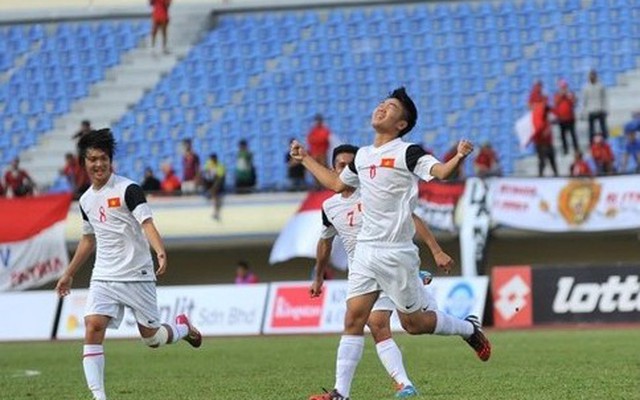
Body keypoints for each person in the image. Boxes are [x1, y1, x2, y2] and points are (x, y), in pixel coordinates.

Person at [291, 87, 490, 400]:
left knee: (413, 324)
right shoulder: (362, 157)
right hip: (366, 252)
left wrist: (459, 156)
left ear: (401, 124)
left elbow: (438, 172)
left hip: (396, 253)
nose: (382, 107)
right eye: (382, 103)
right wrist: (305, 159)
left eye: (391, 106)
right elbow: (336, 183)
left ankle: (467, 329)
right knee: (355, 319)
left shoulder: (407, 152)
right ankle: (340, 393)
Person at [54, 129, 201, 400]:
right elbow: (88, 239)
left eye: (103, 159)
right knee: (93, 326)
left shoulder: (128, 189)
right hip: (104, 275)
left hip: (137, 272)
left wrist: (160, 251)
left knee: (152, 338)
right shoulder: (85, 200)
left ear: (111, 160)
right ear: (83, 163)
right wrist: (69, 273)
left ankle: (183, 328)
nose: (98, 164)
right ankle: (99, 397)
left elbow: (147, 222)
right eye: (92, 159)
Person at [310, 144, 455, 398]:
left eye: (350, 165)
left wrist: (436, 250)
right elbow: (325, 241)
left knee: (410, 324)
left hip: (390, 262)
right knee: (369, 324)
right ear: (334, 169)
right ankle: (392, 386)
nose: (345, 170)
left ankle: (461, 326)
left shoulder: (373, 192)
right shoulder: (329, 207)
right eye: (341, 165)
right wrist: (319, 275)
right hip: (362, 270)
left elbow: (411, 218)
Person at [531, 94, 558, 177]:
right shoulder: (538, 116)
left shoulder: (547, 118)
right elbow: (537, 130)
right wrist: (543, 132)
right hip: (541, 143)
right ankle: (540, 175)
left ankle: (556, 174)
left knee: (552, 159)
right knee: (542, 161)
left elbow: (555, 116)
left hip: (548, 142)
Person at [581, 69, 608, 143]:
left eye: (593, 76)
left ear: (596, 76)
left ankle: (605, 143)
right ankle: (591, 145)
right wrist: (583, 112)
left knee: (603, 128)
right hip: (591, 111)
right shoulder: (585, 87)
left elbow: (604, 98)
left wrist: (605, 109)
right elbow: (584, 101)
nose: (592, 77)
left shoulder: (601, 86)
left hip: (600, 110)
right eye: (590, 76)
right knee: (591, 130)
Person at [553, 79, 579, 155]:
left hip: (570, 118)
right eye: (562, 87)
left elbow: (574, 102)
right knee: (563, 136)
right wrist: (561, 96)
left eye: (564, 87)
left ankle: (576, 149)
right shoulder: (557, 95)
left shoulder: (570, 93)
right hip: (561, 119)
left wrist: (568, 97)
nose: (563, 89)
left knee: (573, 135)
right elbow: (556, 103)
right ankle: (565, 150)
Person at [307, 114, 332, 189]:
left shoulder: (325, 130)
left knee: (324, 168)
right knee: (315, 169)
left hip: (322, 153)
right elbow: (310, 140)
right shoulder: (312, 131)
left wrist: (316, 141)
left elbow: (323, 139)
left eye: (319, 120)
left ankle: (325, 184)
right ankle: (317, 185)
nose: (317, 122)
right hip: (314, 153)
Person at [202, 153, 226, 220]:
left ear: (216, 159)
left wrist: (214, 188)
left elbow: (220, 179)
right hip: (209, 183)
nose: (212, 161)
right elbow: (205, 174)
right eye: (211, 159)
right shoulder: (208, 164)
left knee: (217, 196)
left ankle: (216, 213)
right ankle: (207, 192)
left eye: (213, 159)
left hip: (218, 184)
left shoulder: (220, 166)